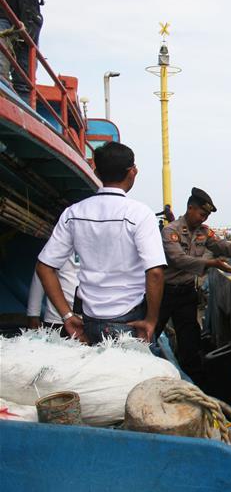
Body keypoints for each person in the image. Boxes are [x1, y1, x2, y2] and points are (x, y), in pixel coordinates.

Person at [35, 141, 166, 344]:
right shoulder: (140, 214)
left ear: (96, 172)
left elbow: (44, 267)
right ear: (132, 172)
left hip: (88, 322)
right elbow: (155, 273)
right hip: (129, 322)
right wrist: (151, 321)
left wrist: (67, 316)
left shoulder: (74, 213)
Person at [158, 188, 231, 377]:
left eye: (207, 216)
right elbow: (177, 259)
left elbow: (227, 248)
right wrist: (210, 263)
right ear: (190, 208)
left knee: (190, 342)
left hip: (186, 294)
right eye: (202, 214)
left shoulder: (205, 232)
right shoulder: (171, 231)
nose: (203, 219)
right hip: (165, 294)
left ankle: (192, 380)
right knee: (152, 335)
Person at [0, 0, 61, 98]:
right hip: (5, 13)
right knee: (2, 69)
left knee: (25, 80)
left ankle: (22, 112)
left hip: (28, 19)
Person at [26, 253, 77, 330]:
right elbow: (41, 271)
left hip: (95, 318)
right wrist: (33, 314)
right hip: (58, 318)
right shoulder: (58, 244)